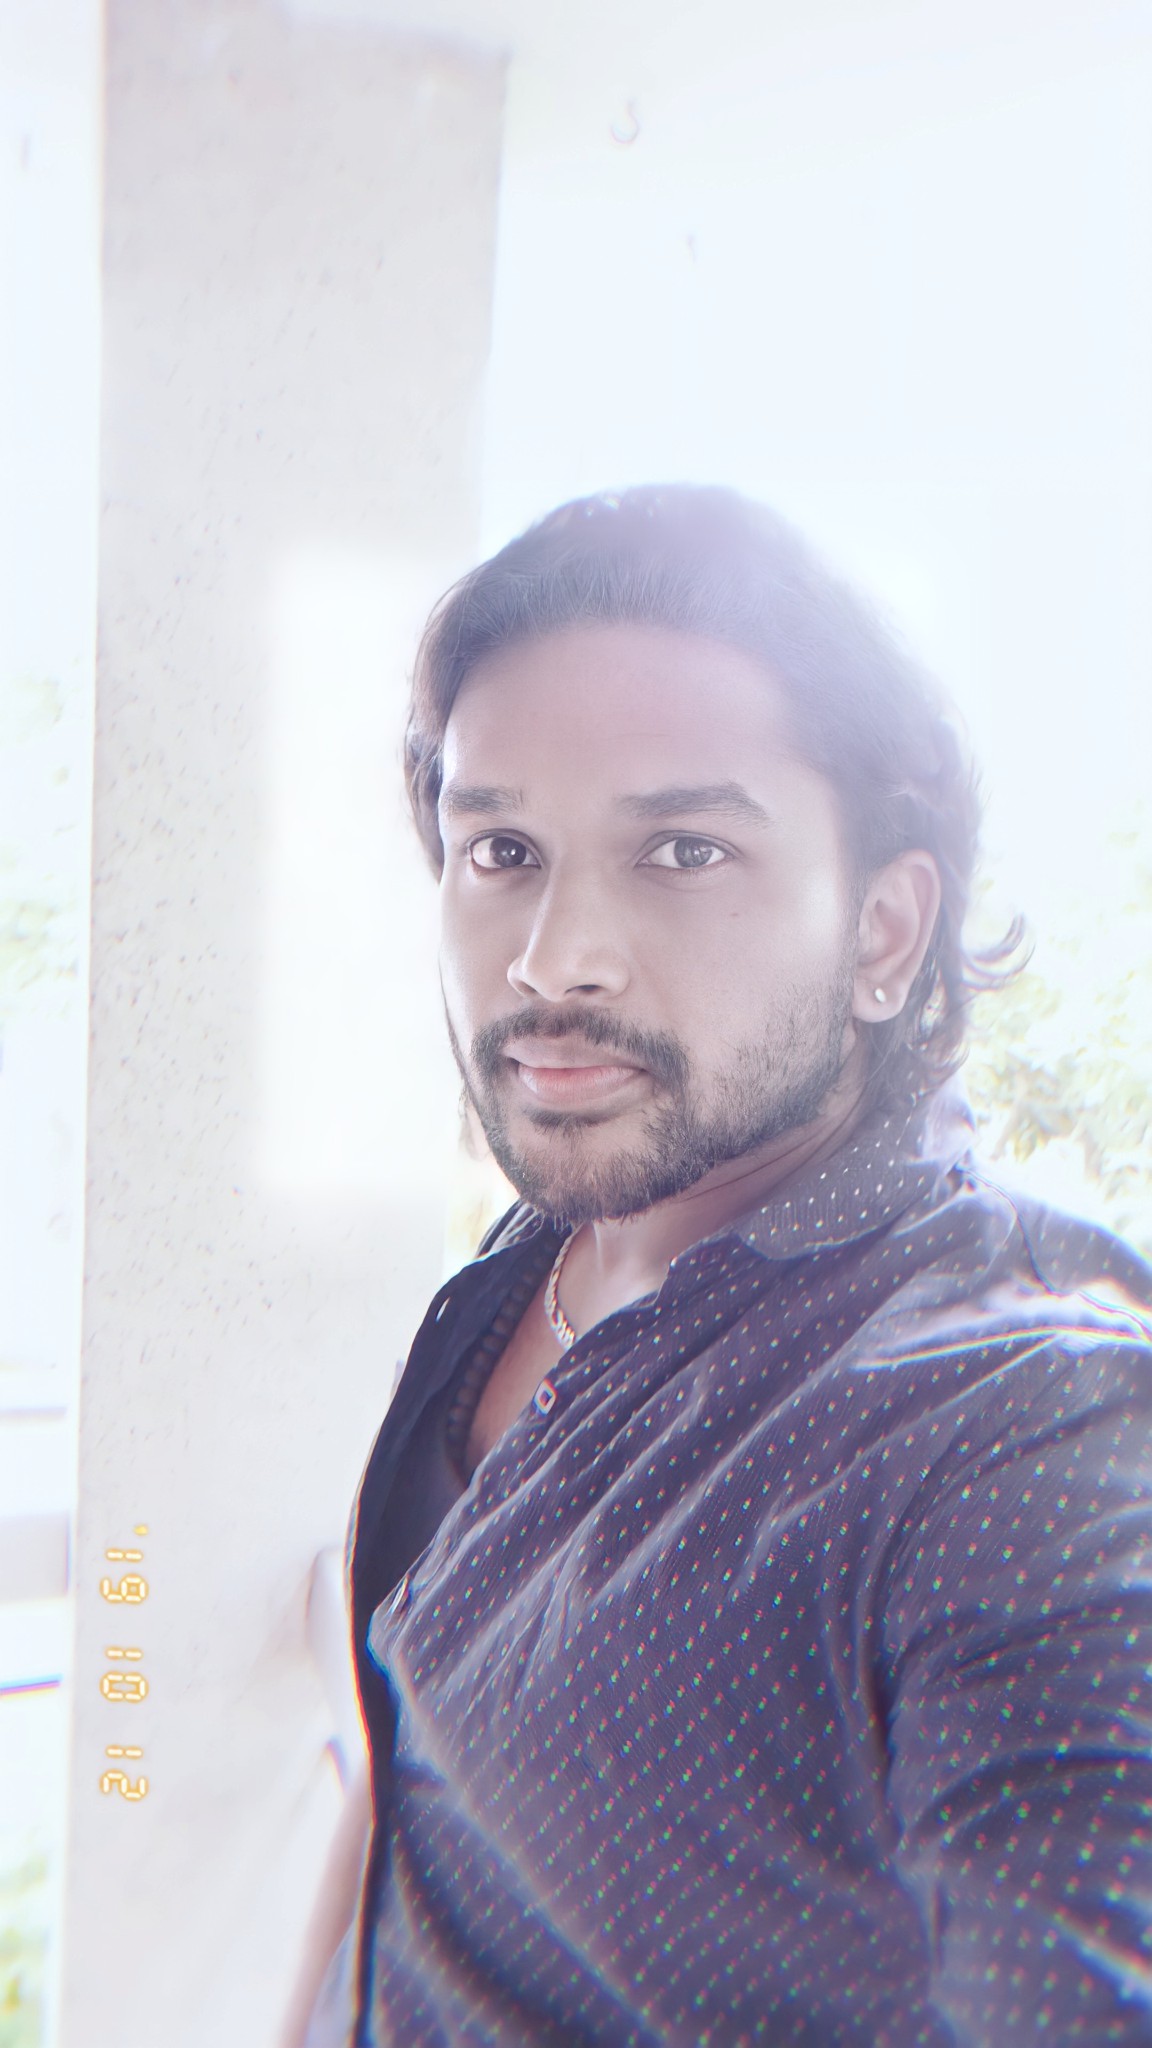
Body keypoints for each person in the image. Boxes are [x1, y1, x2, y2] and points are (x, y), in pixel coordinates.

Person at [289, 486, 1152, 2047]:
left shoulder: (1025, 1419)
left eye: (683, 849)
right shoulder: (545, 1247)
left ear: (883, 931)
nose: (553, 957)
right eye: (502, 848)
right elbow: (415, 1761)